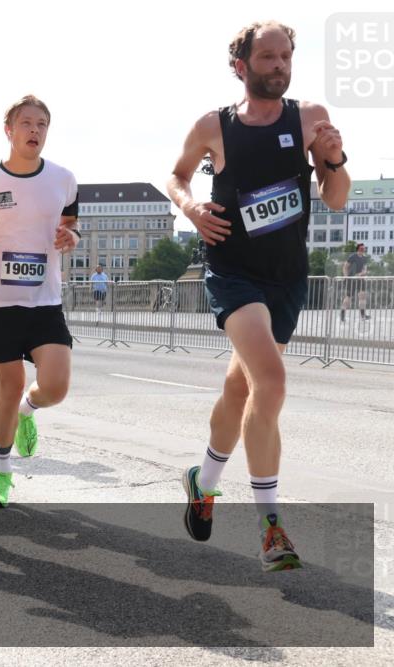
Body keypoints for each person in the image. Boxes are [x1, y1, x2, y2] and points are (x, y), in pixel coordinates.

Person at [167, 20, 350, 571]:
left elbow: (336, 199)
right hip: (232, 272)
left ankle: (204, 480)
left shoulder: (310, 118)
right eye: (267, 57)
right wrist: (191, 208)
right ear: (241, 66)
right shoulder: (213, 126)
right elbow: (176, 176)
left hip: (287, 278)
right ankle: (271, 525)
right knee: (270, 380)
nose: (279, 65)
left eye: (285, 56)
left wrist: (335, 161)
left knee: (240, 389)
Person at [0, 95, 79, 507]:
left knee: (55, 386)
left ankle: (30, 411)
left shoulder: (64, 178)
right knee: (9, 387)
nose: (35, 131)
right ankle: (1, 473)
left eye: (42, 125)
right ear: (9, 130)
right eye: (27, 123)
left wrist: (73, 237)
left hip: (45, 299)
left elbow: (70, 224)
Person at [340, 243, 370, 323]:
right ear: (358, 249)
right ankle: (342, 315)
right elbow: (345, 266)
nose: (363, 250)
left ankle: (363, 315)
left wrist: (364, 272)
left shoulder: (364, 258)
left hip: (360, 279)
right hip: (352, 279)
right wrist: (346, 277)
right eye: (361, 248)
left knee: (362, 297)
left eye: (364, 248)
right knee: (349, 297)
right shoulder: (353, 256)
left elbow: (365, 268)